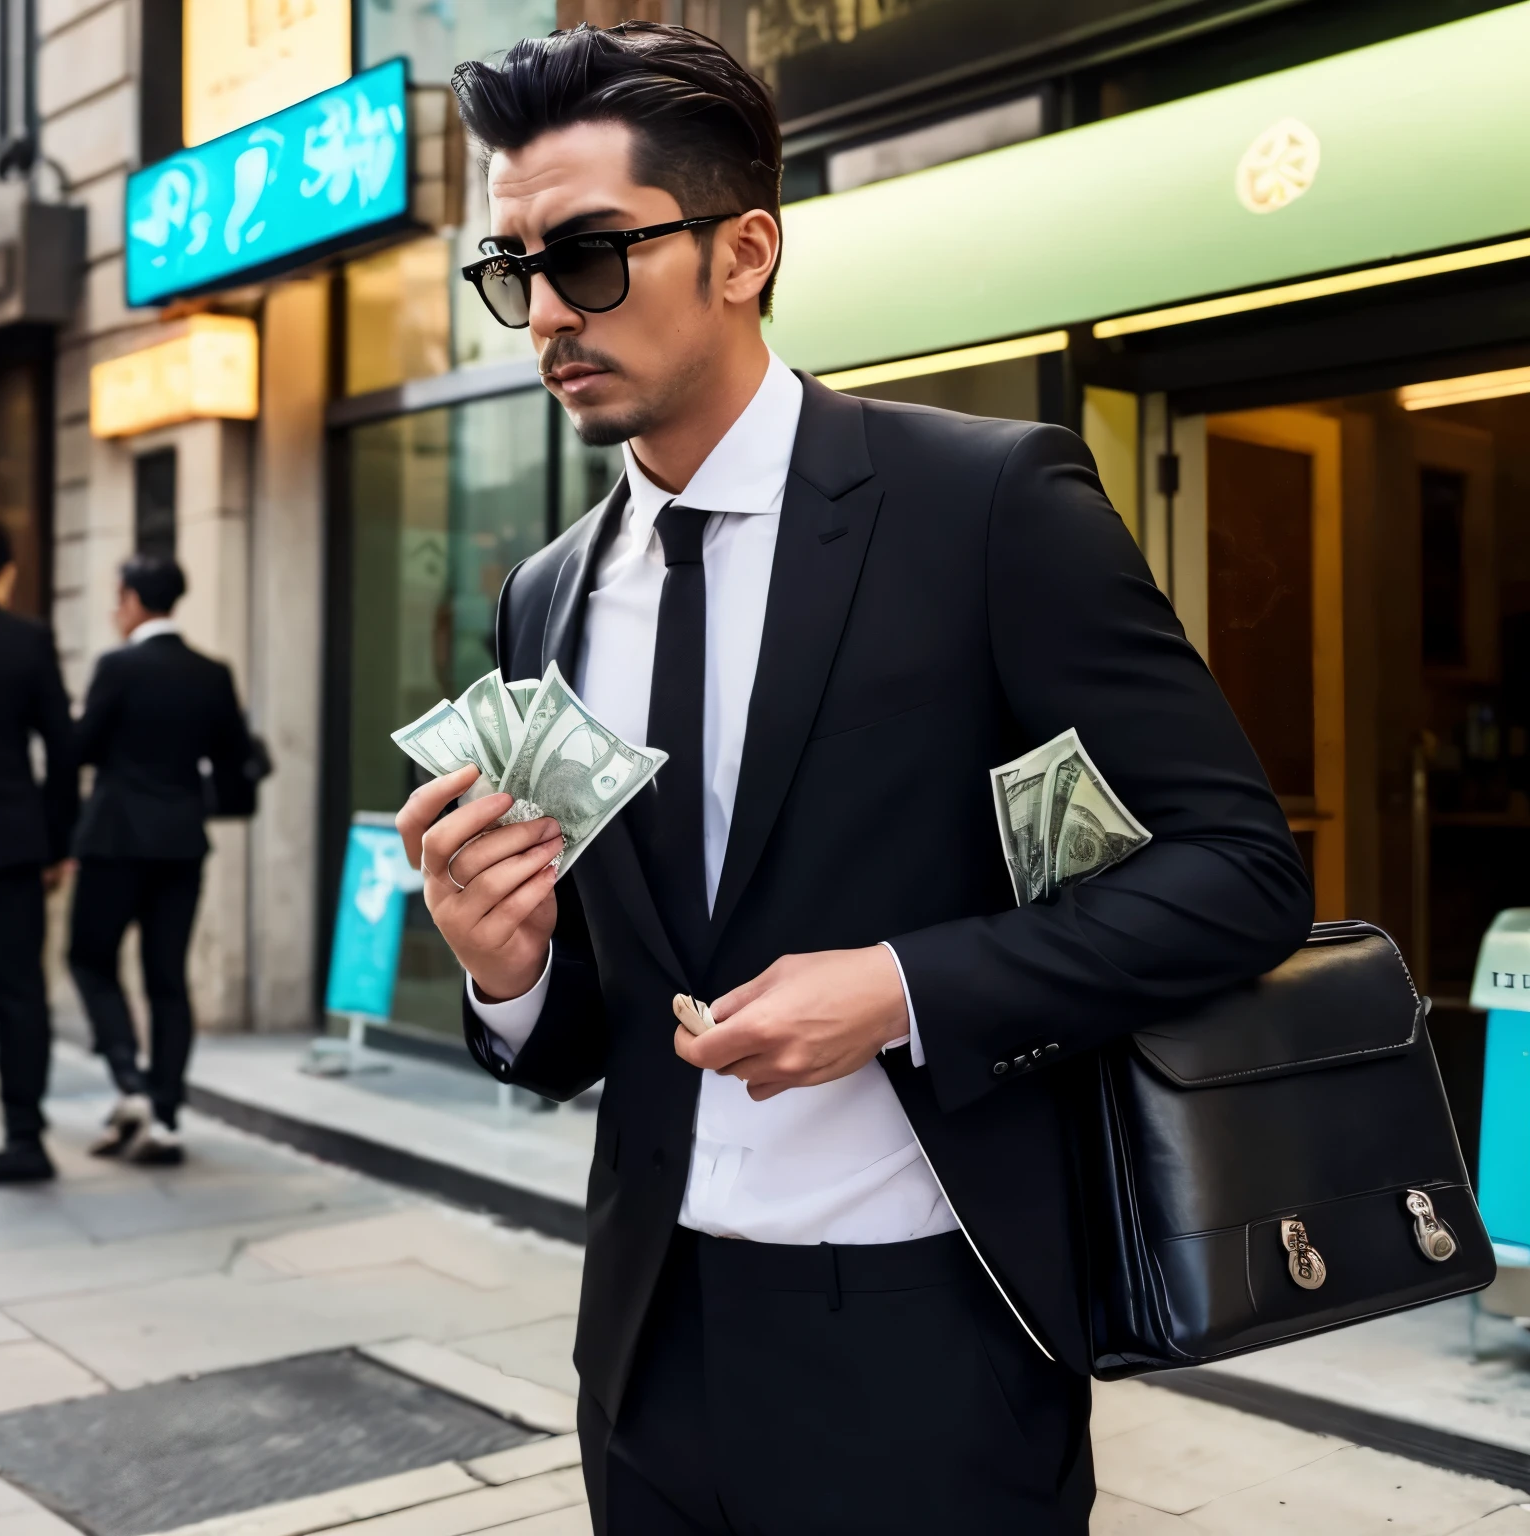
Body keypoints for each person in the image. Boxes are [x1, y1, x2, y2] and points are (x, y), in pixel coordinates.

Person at [397, 23, 1313, 1535]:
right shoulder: (547, 596)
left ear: (745, 248)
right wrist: (507, 971)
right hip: (646, 1341)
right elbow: (582, 1037)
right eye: (514, 274)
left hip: (935, 1331)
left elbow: (1240, 871)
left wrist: (898, 987)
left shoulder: (985, 504)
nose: (548, 312)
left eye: (592, 257)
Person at [68, 555, 252, 1166]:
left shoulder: (117, 666)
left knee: (89, 959)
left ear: (132, 600)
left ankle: (130, 1082)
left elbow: (80, 749)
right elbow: (233, 769)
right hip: (181, 843)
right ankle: (166, 1118)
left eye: (116, 597)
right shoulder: (212, 672)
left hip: (115, 839)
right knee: (167, 979)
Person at [0, 522, 78, 1182]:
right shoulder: (26, 640)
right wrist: (57, 842)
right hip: (12, 846)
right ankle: (25, 1135)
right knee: (20, 993)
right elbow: (62, 747)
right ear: (8, 572)